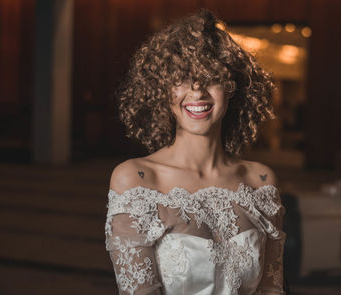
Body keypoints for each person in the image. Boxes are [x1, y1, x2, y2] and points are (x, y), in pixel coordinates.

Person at [105, 9, 286, 295]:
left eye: (211, 77)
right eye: (182, 78)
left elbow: (272, 290)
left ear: (231, 87)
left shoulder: (261, 181)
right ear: (162, 89)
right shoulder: (135, 180)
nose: (197, 91)